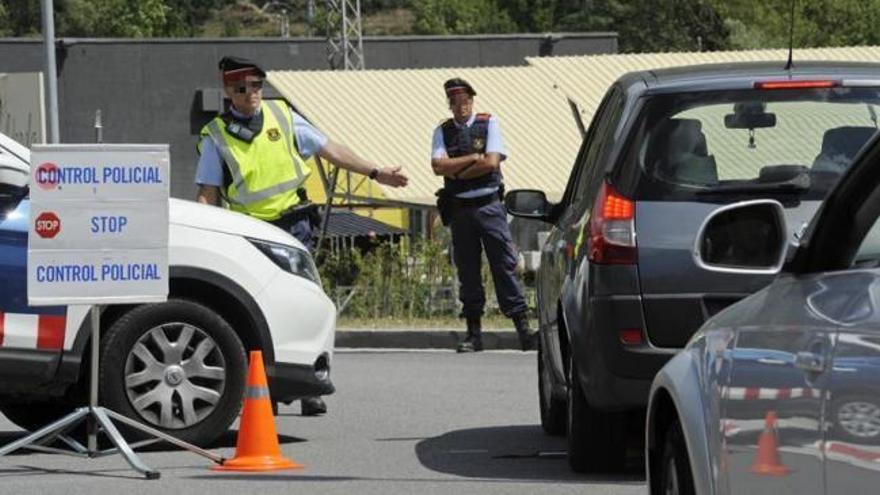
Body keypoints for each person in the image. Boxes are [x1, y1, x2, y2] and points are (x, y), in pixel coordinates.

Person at [195, 56, 408, 415]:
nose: (253, 95)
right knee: (259, 307)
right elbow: (207, 192)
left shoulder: (282, 116)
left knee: (305, 302)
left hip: (294, 225)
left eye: (258, 86)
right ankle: (268, 388)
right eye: (244, 88)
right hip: (250, 233)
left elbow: (330, 148)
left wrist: (375, 172)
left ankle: (310, 382)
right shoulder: (216, 135)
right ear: (229, 91)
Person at [430, 77, 535, 353]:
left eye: (466, 101)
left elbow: (491, 163)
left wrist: (459, 170)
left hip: (488, 205)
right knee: (468, 270)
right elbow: (438, 166)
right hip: (460, 209)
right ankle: (473, 333)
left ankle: (523, 330)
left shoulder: (489, 123)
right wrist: (471, 160)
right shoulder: (442, 131)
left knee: (504, 265)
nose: (462, 107)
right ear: (450, 104)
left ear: (472, 101)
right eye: (456, 102)